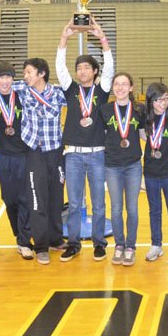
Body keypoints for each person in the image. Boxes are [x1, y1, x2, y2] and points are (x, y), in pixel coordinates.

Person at [0, 58, 67, 265]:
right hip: (34, 152)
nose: (25, 76)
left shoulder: (58, 92)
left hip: (56, 151)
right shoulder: (22, 88)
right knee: (37, 199)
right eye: (24, 73)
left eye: (29, 72)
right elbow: (0, 83)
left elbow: (77, 100)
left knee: (56, 198)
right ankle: (41, 246)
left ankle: (55, 239)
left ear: (41, 73)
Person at [56, 19, 114, 262]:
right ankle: (74, 244)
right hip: (74, 155)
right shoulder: (70, 90)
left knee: (99, 203)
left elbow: (110, 67)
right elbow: (60, 68)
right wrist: (64, 38)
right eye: (78, 68)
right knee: (76, 202)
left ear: (95, 72)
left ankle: (99, 243)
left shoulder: (102, 91)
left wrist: (103, 40)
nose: (81, 71)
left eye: (86, 68)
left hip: (98, 154)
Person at [0, 61, 33, 260]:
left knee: (24, 199)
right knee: (8, 199)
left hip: (23, 154)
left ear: (13, 79)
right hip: (2, 156)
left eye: (8, 77)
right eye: (0, 77)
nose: (4, 81)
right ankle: (18, 233)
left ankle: (24, 240)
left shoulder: (23, 96)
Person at [99, 72, 145, 266]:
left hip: (133, 165)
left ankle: (130, 247)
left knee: (132, 209)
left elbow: (144, 134)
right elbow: (100, 136)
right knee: (116, 209)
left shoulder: (139, 109)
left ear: (131, 87)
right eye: (116, 84)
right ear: (112, 87)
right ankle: (119, 245)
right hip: (112, 165)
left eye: (124, 84)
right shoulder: (105, 110)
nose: (120, 88)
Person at [142, 83, 168, 264]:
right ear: (151, 101)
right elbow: (144, 137)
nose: (162, 103)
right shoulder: (146, 117)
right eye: (158, 99)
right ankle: (156, 244)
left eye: (166, 98)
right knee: (154, 210)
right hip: (150, 171)